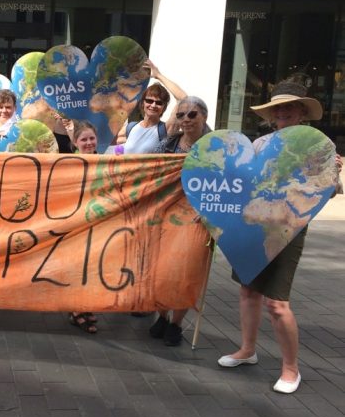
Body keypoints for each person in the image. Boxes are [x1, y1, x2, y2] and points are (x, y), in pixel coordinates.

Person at [217, 81, 343, 394]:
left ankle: (291, 369)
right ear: (272, 113)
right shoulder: (261, 144)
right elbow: (244, 184)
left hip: (290, 228)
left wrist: (333, 175)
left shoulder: (317, 145)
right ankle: (247, 350)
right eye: (278, 107)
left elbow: (328, 193)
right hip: (254, 224)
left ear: (302, 111)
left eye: (289, 106)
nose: (283, 112)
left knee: (276, 303)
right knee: (248, 290)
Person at [148, 96, 212, 345]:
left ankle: (176, 323)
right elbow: (151, 171)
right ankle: (162, 316)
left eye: (192, 114)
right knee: (161, 269)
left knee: (187, 271)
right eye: (181, 115)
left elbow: (227, 182)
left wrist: (212, 211)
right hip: (166, 214)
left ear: (204, 116)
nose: (186, 119)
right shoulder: (168, 143)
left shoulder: (216, 146)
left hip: (197, 218)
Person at [107, 59, 186, 154]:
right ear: (143, 103)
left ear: (164, 108)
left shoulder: (166, 129)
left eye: (159, 103)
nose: (153, 105)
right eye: (149, 101)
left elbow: (184, 99)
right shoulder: (131, 127)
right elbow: (104, 143)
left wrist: (158, 75)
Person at [65, 120, 100, 333]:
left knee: (92, 267)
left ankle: (87, 305)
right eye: (84, 139)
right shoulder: (68, 164)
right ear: (75, 142)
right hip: (75, 223)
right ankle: (75, 309)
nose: (88, 143)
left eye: (92, 138)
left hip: (97, 222)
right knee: (77, 267)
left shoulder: (105, 162)